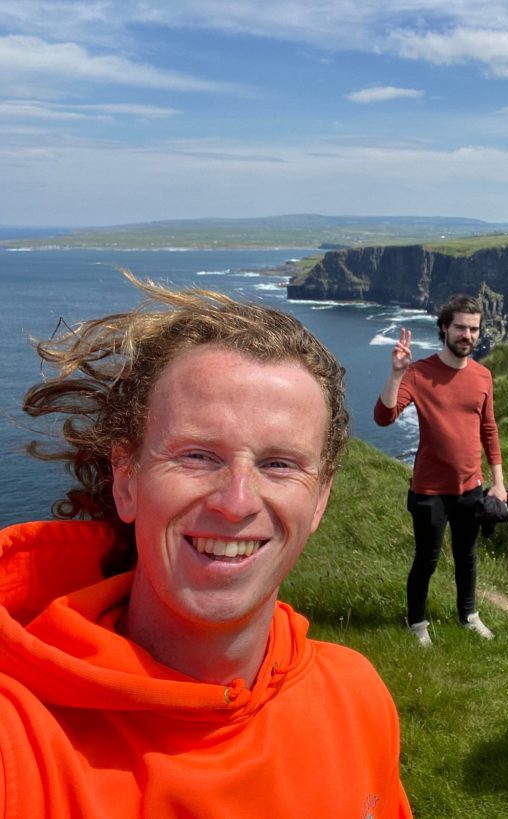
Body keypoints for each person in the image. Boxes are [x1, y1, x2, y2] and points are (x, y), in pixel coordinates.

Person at [0, 276, 412, 818]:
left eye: (279, 464)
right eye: (197, 455)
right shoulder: (23, 737)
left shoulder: (358, 699)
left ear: (319, 501)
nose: (237, 501)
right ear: (127, 480)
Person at [374, 294, 507, 647]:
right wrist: (397, 374)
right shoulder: (419, 373)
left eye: (474, 329)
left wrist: (498, 484)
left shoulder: (482, 376)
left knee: (467, 557)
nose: (468, 334)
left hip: (471, 489)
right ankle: (417, 624)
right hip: (429, 491)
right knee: (427, 560)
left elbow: (489, 430)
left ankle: (469, 616)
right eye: (461, 327)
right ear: (445, 328)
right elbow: (383, 418)